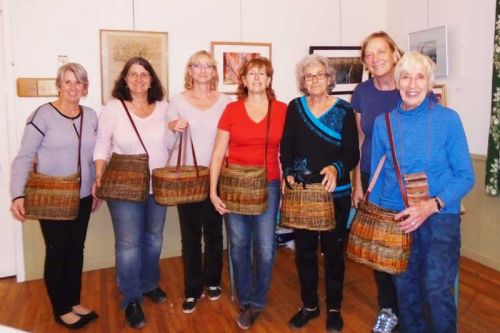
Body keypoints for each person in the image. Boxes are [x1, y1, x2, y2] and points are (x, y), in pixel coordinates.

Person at [369, 51, 474, 332]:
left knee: (437, 290)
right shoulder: (383, 124)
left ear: (429, 83)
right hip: (398, 219)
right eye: (405, 76)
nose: (412, 84)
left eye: (419, 77)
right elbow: (378, 181)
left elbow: (466, 176)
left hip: (440, 218)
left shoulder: (448, 120)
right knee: (406, 290)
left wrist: (430, 206)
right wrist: (380, 222)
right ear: (397, 81)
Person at [10, 63, 100, 329]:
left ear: (85, 88)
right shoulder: (43, 115)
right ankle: (61, 308)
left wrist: (97, 188)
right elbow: (24, 157)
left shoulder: (91, 115)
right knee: (58, 250)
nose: (73, 87)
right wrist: (18, 194)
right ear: (59, 85)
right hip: (52, 197)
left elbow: (95, 155)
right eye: (68, 82)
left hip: (82, 196)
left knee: (76, 250)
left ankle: (73, 301)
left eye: (79, 82)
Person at [281, 54, 359, 331]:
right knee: (304, 252)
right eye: (308, 76)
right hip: (303, 193)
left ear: (329, 79)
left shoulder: (343, 110)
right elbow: (286, 145)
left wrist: (337, 168)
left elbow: (352, 152)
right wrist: (287, 171)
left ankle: (334, 307)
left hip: (335, 194)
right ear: (303, 81)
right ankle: (310, 305)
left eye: (319, 75)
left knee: (334, 252)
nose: (314, 80)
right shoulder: (295, 107)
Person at [209, 57, 287, 330]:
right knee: (239, 245)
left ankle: (258, 301)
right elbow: (218, 154)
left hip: (269, 184)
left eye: (262, 74)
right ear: (242, 80)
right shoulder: (231, 110)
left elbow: (287, 151)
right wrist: (212, 191)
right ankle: (245, 298)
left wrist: (288, 179)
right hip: (234, 186)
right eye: (251, 73)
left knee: (265, 248)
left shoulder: (282, 110)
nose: (256, 78)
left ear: (268, 80)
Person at [93, 57, 169, 329]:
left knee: (154, 240)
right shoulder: (113, 108)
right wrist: (99, 175)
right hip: (123, 187)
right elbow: (101, 144)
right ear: (125, 80)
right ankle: (131, 298)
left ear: (151, 79)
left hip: (156, 186)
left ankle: (149, 284)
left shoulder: (164, 108)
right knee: (128, 244)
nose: (139, 79)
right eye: (133, 74)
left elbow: (172, 142)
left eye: (144, 74)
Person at [166, 50, 231, 313]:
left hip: (217, 175)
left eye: (208, 66)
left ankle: (213, 281)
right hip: (189, 179)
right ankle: (192, 289)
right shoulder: (177, 101)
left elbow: (230, 141)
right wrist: (172, 127)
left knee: (214, 232)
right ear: (190, 71)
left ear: (214, 72)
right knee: (191, 236)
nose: (203, 70)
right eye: (197, 65)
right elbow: (167, 144)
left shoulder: (225, 101)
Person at [350, 31, 403, 333]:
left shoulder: (410, 85)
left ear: (395, 53)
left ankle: (409, 306)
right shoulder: (362, 91)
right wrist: (358, 184)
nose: (375, 58)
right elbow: (360, 139)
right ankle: (389, 308)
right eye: (369, 54)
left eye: (381, 51)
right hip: (373, 176)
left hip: (405, 181)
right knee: (380, 248)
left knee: (408, 246)